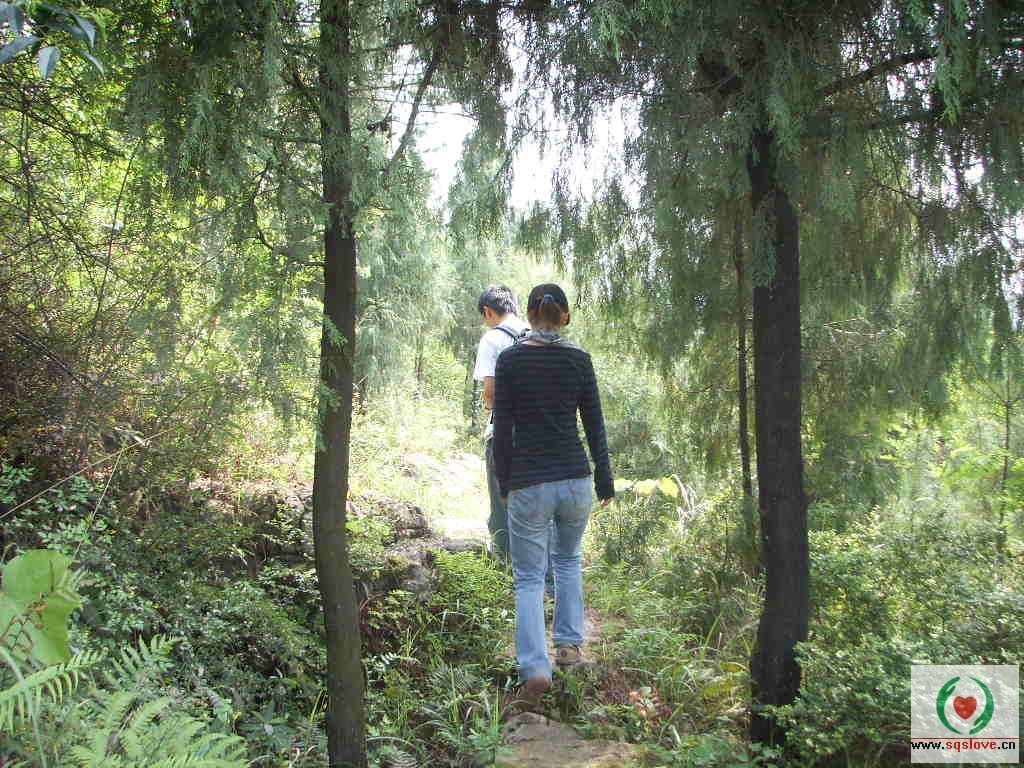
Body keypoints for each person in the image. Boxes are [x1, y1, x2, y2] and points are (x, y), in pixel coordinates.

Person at [492, 283, 614, 702]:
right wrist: (605, 481)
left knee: (528, 577)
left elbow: (503, 429)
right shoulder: (579, 360)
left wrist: (504, 481)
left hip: (529, 481)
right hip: (575, 481)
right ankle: (568, 645)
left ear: (529, 315)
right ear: (566, 317)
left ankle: (535, 668)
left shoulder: (510, 360)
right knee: (567, 560)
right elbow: (595, 425)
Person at [472, 285, 530, 562]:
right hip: (540, 436)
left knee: (501, 501)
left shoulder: (492, 338)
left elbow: (490, 395)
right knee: (534, 504)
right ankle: (539, 569)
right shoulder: (538, 334)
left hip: (504, 434)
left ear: (488, 311)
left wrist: (491, 406)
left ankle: (505, 566)